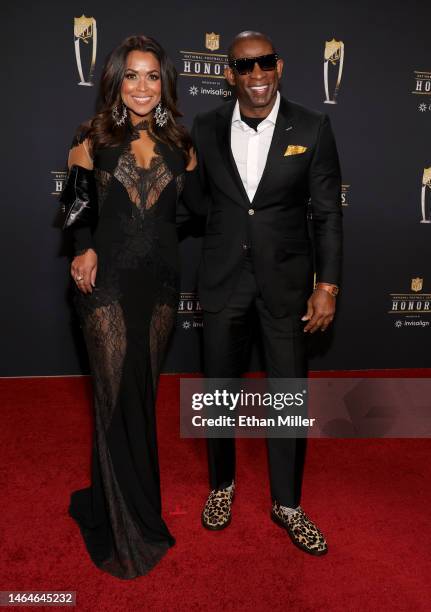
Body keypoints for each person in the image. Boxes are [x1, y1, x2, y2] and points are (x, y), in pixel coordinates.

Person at [190, 31, 342, 555]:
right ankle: (222, 487)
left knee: (287, 396)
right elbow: (192, 202)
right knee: (219, 394)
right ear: (229, 73)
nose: (257, 76)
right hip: (223, 279)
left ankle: (287, 503)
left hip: (287, 284)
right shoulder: (205, 128)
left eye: (266, 64)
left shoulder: (313, 125)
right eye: (244, 66)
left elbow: (327, 215)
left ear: (280, 66)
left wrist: (327, 284)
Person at [64, 35, 197, 579]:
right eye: (132, 76)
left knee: (141, 395)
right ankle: (122, 526)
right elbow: (76, 208)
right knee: (113, 396)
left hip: (161, 285)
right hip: (107, 284)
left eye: (152, 76)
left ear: (164, 83)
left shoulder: (182, 143)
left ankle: (131, 503)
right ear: (116, 81)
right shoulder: (91, 137)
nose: (142, 86)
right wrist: (82, 250)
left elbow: (192, 216)